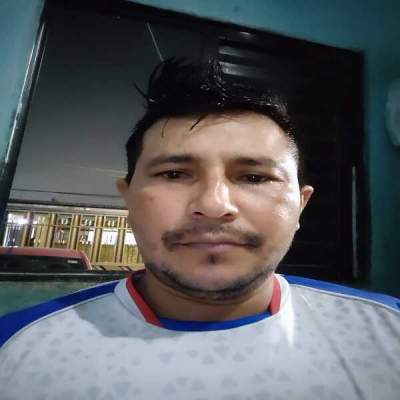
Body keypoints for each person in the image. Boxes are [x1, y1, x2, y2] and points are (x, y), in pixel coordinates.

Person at [0, 59, 399, 400]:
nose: (213, 205)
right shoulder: (14, 350)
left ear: (301, 206)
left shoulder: (388, 332)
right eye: (174, 174)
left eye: (255, 177)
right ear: (129, 199)